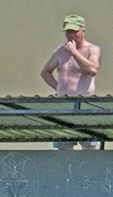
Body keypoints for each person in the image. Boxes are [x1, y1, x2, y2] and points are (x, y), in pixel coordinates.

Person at [40, 14, 102, 150]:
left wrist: (74, 52)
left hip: (84, 105)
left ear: (83, 30)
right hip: (64, 106)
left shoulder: (92, 49)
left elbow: (92, 70)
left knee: (89, 149)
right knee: (64, 150)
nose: (72, 36)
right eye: (68, 32)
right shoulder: (60, 51)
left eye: (75, 32)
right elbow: (45, 72)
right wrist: (59, 88)